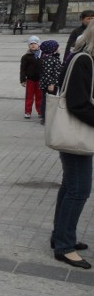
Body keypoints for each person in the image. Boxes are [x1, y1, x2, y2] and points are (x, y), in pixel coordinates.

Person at [50, 23, 94, 269]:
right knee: (79, 189)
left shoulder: (82, 58)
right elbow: (79, 103)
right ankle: (64, 246)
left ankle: (61, 237)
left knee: (70, 186)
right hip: (76, 134)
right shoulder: (84, 60)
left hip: (78, 134)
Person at [39, 40, 62, 125]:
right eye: (57, 47)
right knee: (48, 101)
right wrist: (51, 84)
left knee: (48, 100)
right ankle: (45, 117)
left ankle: (46, 116)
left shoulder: (53, 57)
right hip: (49, 84)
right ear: (52, 49)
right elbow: (48, 73)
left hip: (52, 83)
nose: (59, 49)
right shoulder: (49, 59)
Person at [20, 36, 43, 119]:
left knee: (39, 96)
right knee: (29, 96)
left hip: (40, 80)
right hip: (30, 79)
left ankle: (40, 111)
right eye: (31, 44)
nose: (33, 45)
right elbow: (23, 70)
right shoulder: (26, 57)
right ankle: (28, 111)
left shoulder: (43, 55)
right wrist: (23, 80)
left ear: (39, 45)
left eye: (35, 43)